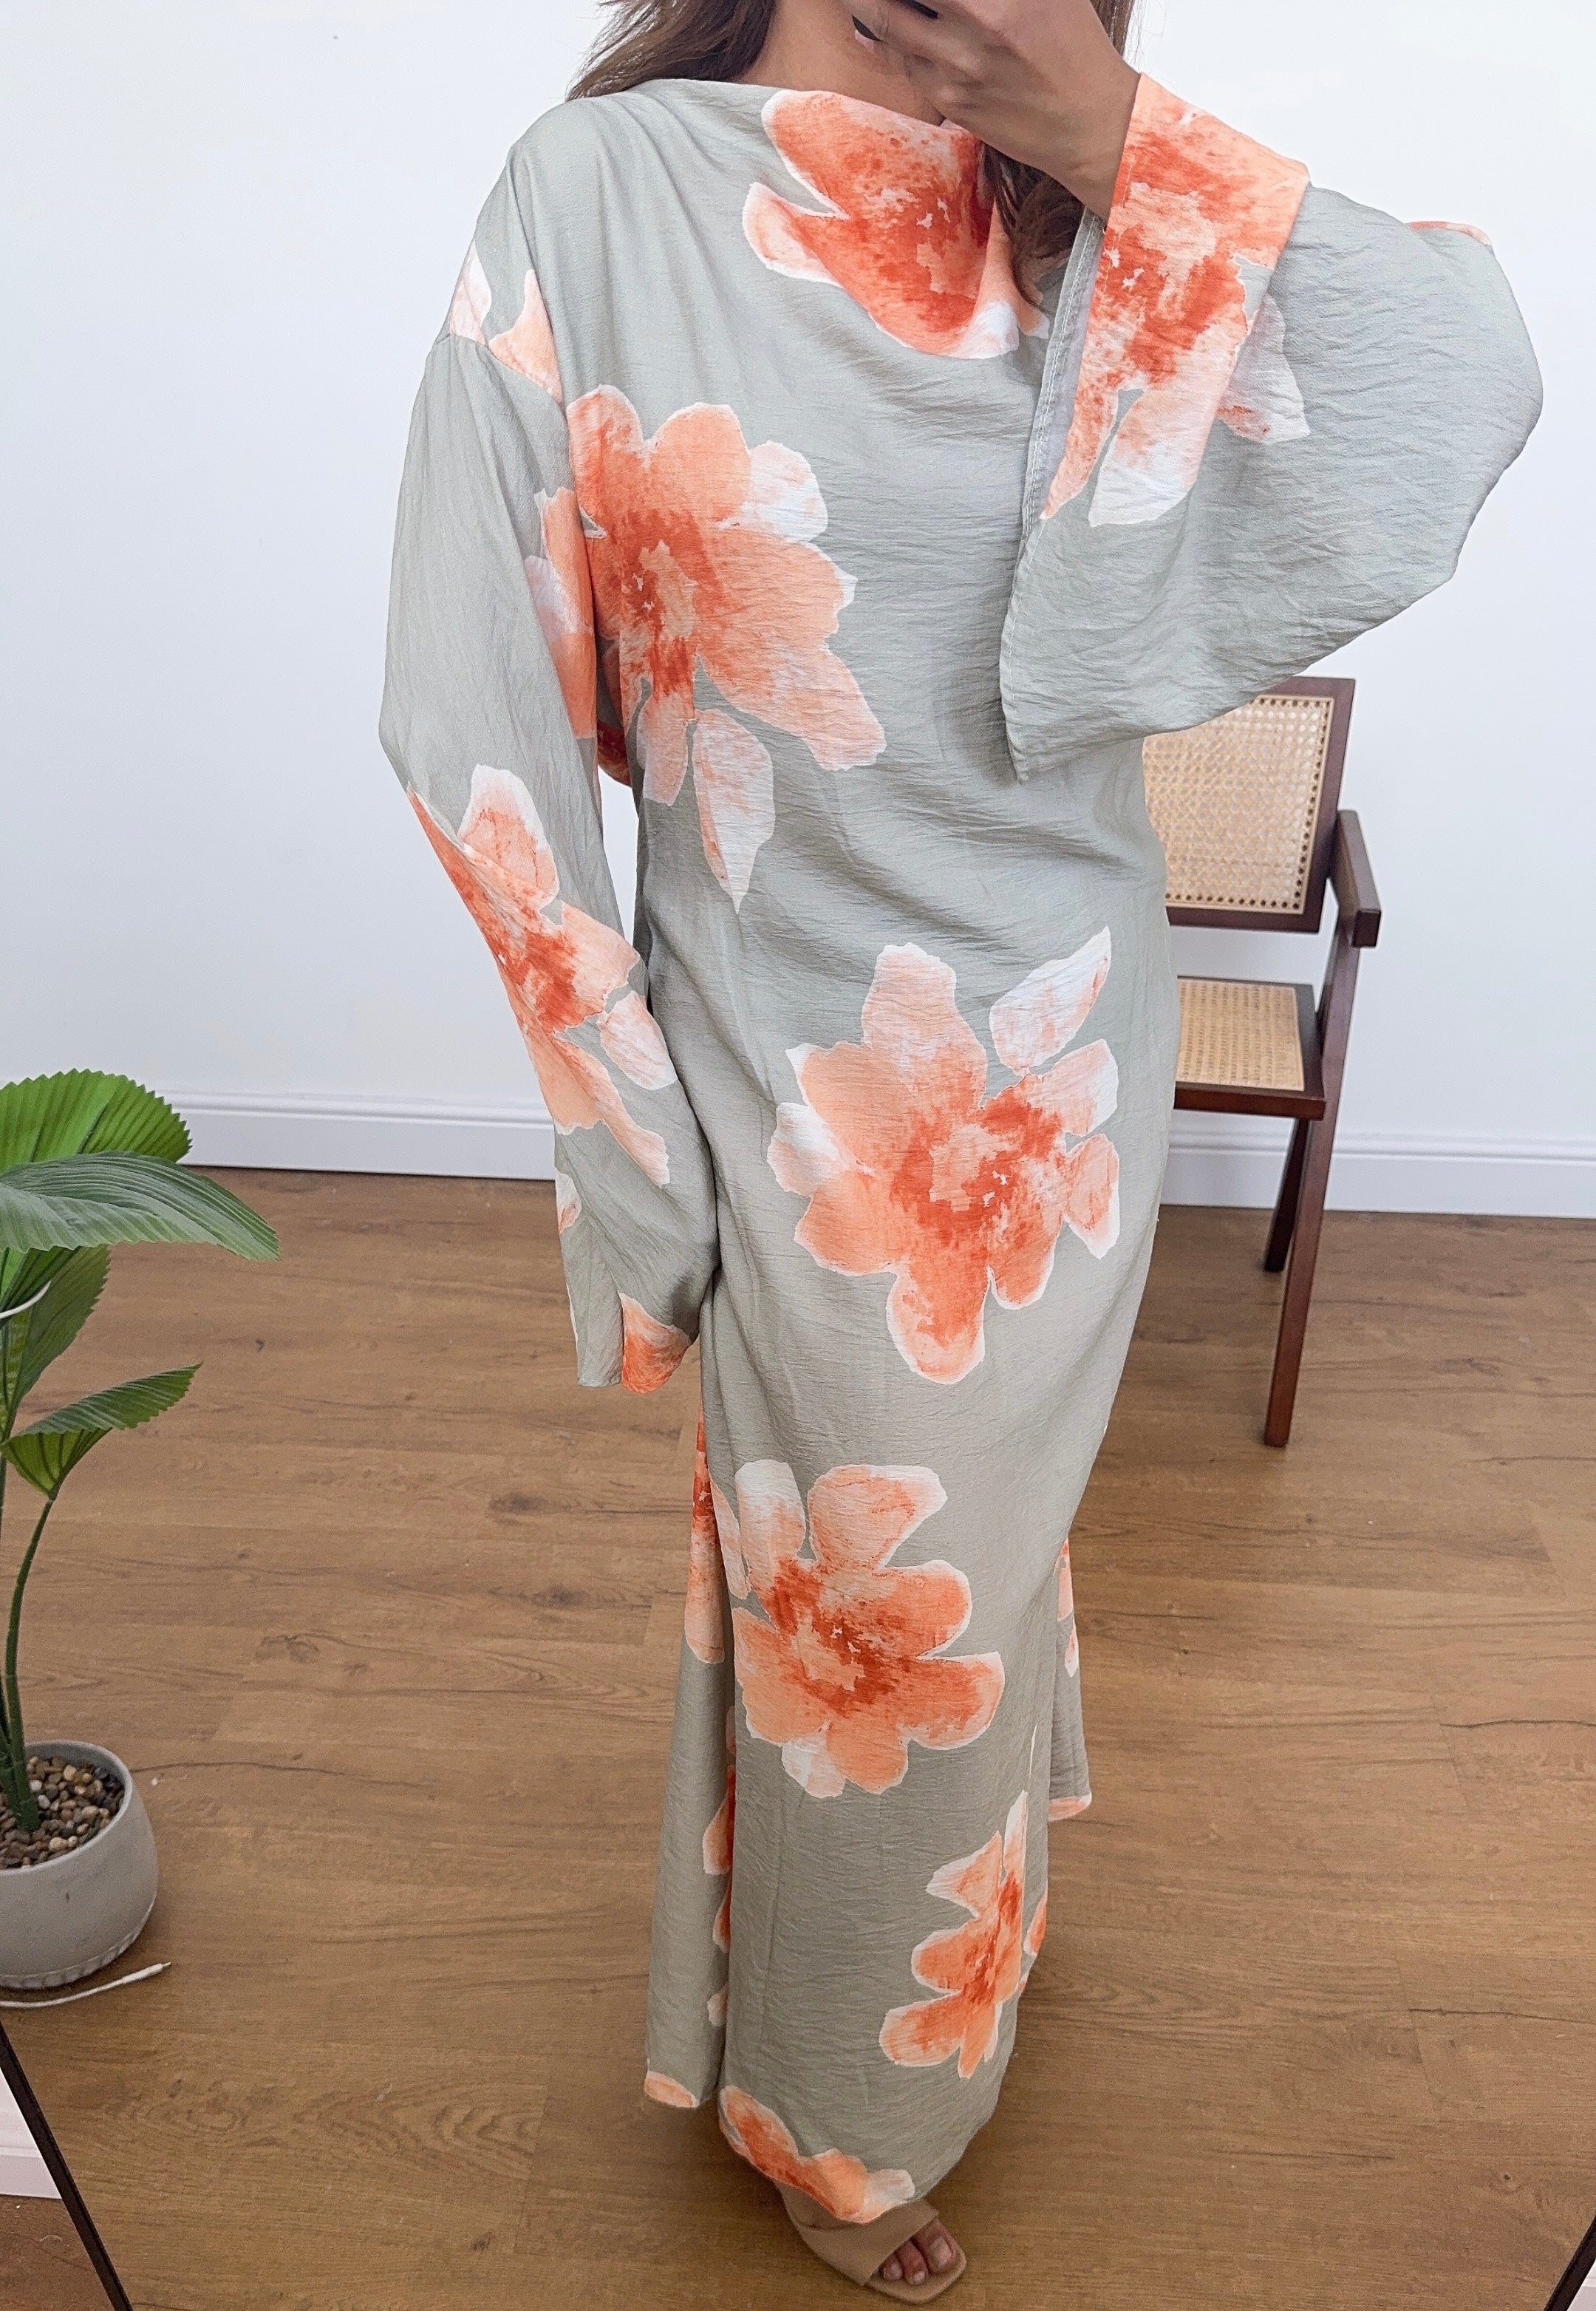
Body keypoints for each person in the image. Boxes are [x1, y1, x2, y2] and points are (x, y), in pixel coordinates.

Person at [379, 0, 1540, 2292]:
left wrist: (1104, 129)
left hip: (1060, 1064)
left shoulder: (1091, 197)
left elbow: (1462, 377)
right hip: (790, 1068)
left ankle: (963, 1929)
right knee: (870, 1625)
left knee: (957, 1576)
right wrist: (628, 1130)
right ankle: (846, 2120)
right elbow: (467, 710)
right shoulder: (601, 196)